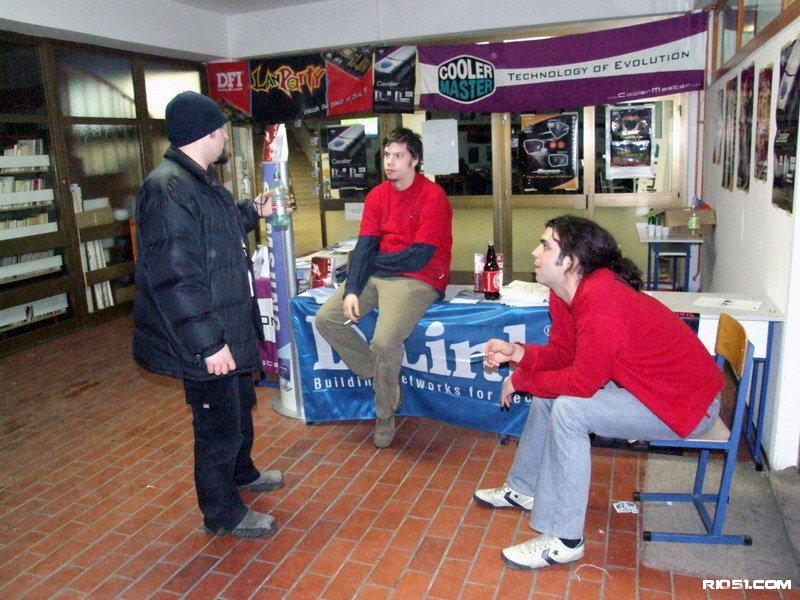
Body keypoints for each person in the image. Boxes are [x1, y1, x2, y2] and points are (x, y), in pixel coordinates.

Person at [473, 215, 724, 570]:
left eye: (545, 246)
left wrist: (521, 380)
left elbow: (582, 383)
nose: (535, 252)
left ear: (570, 261)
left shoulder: (602, 298)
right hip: (649, 389)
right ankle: (523, 489)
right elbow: (563, 355)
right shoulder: (565, 293)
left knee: (570, 410)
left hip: (687, 404)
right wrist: (517, 354)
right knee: (550, 396)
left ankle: (565, 539)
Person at [133, 91, 283, 538]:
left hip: (225, 324)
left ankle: (242, 472)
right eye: (222, 131)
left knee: (239, 408)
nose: (225, 139)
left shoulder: (198, 180)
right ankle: (222, 513)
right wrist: (209, 344)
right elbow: (175, 277)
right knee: (217, 425)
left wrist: (253, 211)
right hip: (204, 337)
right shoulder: (167, 189)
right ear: (207, 133)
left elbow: (215, 230)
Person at [315, 128, 453, 448]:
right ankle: (379, 375)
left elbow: (418, 255)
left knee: (384, 341)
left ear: (414, 161)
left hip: (418, 278)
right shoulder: (377, 195)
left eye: (398, 156)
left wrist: (370, 263)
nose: (390, 162)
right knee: (326, 319)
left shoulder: (433, 196)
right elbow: (364, 247)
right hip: (379, 275)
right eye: (387, 155)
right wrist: (352, 288)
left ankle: (385, 411)